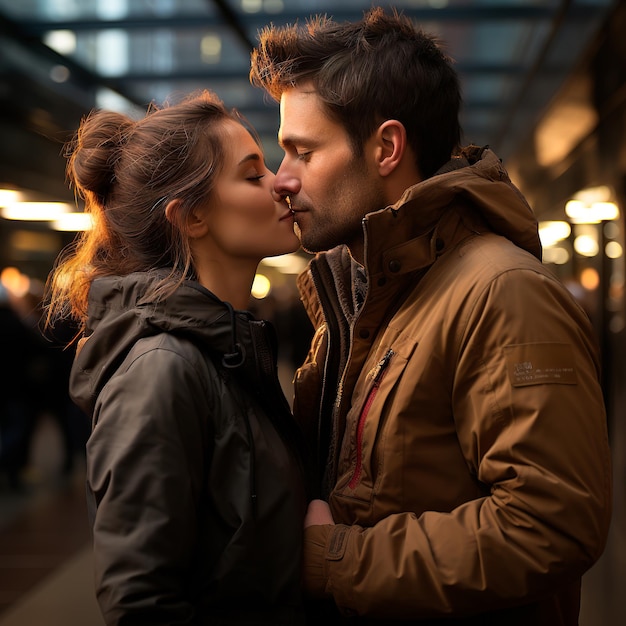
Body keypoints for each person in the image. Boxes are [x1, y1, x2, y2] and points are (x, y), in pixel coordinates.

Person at [249, 7, 612, 625]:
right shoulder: (361, 293)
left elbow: (550, 525)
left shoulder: (503, 293)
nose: (282, 179)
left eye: (302, 152)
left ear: (387, 147)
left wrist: (336, 560)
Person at [44, 90, 307, 625]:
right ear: (190, 218)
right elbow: (140, 601)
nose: (281, 182)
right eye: (253, 175)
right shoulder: (162, 369)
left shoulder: (224, 349)